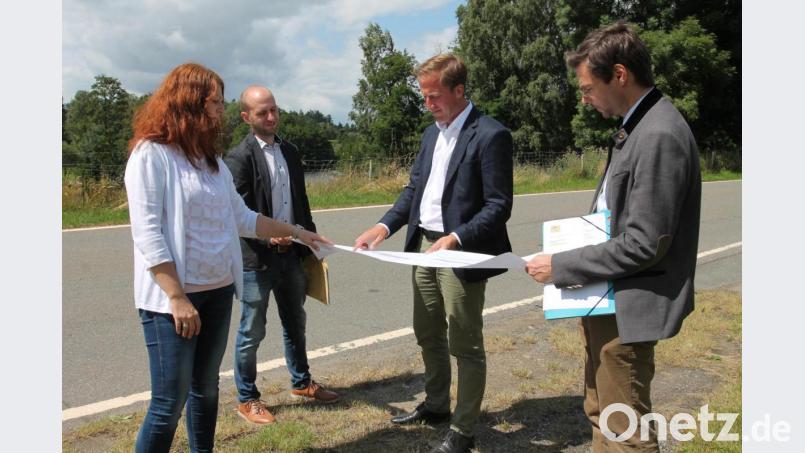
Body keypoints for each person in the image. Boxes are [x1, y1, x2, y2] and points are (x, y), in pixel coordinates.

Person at [124, 63, 330, 453]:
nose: (219, 111)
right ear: (190, 103)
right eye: (215, 103)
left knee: (205, 390)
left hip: (217, 293)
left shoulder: (210, 162)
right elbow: (147, 233)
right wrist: (177, 298)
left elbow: (245, 219)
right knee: (168, 403)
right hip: (173, 304)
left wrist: (300, 233)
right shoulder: (151, 156)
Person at [526, 22, 701, 452]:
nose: (584, 100)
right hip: (608, 299)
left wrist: (562, 265)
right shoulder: (638, 124)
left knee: (625, 432)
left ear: (619, 75)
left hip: (627, 307)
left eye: (587, 89)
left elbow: (643, 242)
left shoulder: (658, 132)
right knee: (602, 414)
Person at [354, 53, 513, 453]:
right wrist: (383, 226)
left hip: (459, 251)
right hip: (424, 247)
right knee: (427, 332)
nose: (428, 104)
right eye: (424, 96)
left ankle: (463, 429)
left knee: (465, 342)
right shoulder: (430, 135)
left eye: (434, 95)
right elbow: (414, 191)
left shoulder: (491, 134)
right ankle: (437, 405)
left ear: (459, 91)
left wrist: (457, 238)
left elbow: (498, 206)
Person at [224, 86, 339, 425]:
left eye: (274, 110)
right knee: (251, 331)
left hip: (292, 256)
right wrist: (270, 240)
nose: (271, 117)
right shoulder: (238, 158)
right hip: (256, 261)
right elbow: (239, 214)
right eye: (263, 113)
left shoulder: (290, 151)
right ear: (247, 117)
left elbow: (300, 201)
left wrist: (310, 244)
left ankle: (302, 383)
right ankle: (247, 399)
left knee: (295, 323)